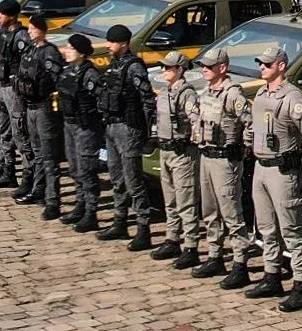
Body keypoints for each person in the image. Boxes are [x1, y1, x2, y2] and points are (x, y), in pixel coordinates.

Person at [246, 46, 302, 305]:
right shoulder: (262, 93)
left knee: (291, 229)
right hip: (261, 167)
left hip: (284, 169)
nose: (262, 67)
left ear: (281, 66)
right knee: (266, 227)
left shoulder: (292, 98)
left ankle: (300, 285)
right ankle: (272, 274)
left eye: (268, 64)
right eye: (261, 63)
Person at [191, 48, 252, 289]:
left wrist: (244, 149)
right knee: (209, 210)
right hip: (206, 156)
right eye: (203, 66)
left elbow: (249, 123)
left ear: (222, 68)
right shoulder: (207, 92)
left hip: (226, 160)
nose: (204, 69)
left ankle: (240, 263)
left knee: (231, 213)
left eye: (209, 66)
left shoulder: (232, 94)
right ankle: (215, 255)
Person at [97, 24, 154, 248]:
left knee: (134, 182)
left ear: (123, 43)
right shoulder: (115, 65)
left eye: (112, 42)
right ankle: (120, 221)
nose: (108, 46)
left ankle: (143, 228)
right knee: (117, 179)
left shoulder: (133, 67)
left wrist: (148, 133)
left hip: (129, 129)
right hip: (112, 127)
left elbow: (147, 100)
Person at [150, 50, 202, 266]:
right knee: (170, 200)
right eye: (163, 67)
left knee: (185, 201)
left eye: (169, 68)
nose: (164, 71)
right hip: (166, 150)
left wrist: (192, 140)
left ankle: (191, 245)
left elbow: (196, 120)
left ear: (180, 70)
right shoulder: (166, 92)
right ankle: (172, 238)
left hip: (182, 153)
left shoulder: (186, 94)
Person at [17, 14, 63, 220]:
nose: (29, 31)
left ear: (42, 30)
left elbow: (56, 80)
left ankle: (52, 200)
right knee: (36, 152)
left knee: (48, 156)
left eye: (33, 28)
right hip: (30, 106)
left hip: (44, 108)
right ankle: (38, 189)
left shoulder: (49, 52)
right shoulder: (30, 50)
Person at [59, 33, 107, 232]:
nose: (66, 52)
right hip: (70, 124)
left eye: (71, 49)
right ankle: (80, 204)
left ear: (81, 53)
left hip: (86, 128)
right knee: (74, 168)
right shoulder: (69, 71)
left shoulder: (90, 74)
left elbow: (101, 101)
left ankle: (91, 212)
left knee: (87, 170)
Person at [0, 0, 27, 191]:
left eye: (2, 13)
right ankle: (7, 169)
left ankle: (29, 177)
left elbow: (27, 65)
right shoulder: (1, 32)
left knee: (19, 134)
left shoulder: (21, 36)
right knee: (2, 130)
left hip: (12, 89)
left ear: (11, 16)